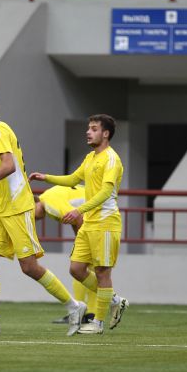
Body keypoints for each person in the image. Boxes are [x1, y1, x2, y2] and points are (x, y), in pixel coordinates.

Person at [0, 87, 86, 337]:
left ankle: (74, 306)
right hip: (1, 206)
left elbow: (8, 166)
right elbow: (2, 168)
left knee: (29, 266)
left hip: (17, 206)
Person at [30, 114, 129, 335]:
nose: (88, 131)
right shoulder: (90, 157)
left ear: (105, 133)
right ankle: (115, 300)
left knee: (103, 272)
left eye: (93, 128)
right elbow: (74, 179)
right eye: (88, 128)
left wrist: (79, 210)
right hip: (90, 224)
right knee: (76, 269)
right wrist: (46, 177)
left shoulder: (111, 159)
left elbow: (105, 192)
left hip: (105, 222)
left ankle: (98, 322)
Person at [34, 185, 97, 324]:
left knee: (81, 267)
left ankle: (86, 313)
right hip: (98, 213)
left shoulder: (49, 205)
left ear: (34, 203)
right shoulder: (48, 197)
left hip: (98, 215)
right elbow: (75, 217)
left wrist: (81, 244)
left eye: (30, 213)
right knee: (86, 267)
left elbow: (78, 217)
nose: (34, 219)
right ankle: (88, 313)